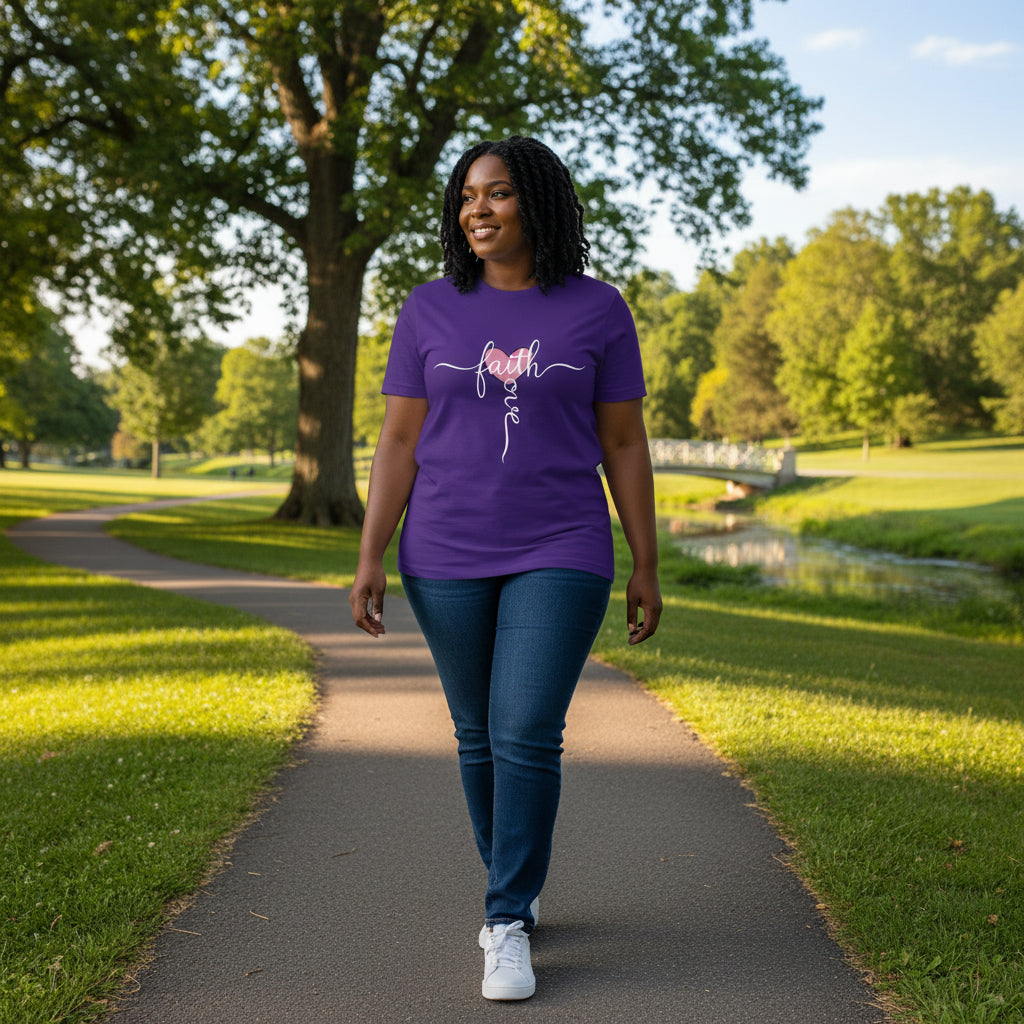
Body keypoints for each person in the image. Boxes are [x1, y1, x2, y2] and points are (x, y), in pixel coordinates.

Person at [350, 135, 661, 1002]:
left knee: (524, 728)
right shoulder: (428, 310)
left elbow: (625, 443)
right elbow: (400, 440)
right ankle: (513, 894)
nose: (475, 210)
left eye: (495, 194)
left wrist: (646, 560)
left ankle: (507, 916)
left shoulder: (598, 310)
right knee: (477, 734)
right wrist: (371, 552)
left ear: (538, 204)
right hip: (444, 551)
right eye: (465, 197)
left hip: (561, 544)